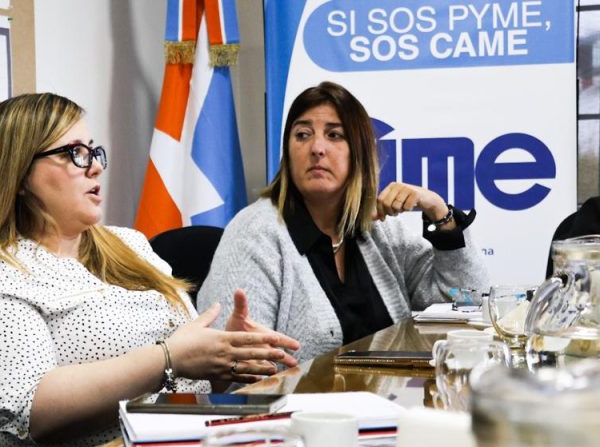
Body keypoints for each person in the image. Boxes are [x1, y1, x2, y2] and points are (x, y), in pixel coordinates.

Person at [0, 93, 300, 447]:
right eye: (74, 153)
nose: (95, 167)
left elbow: (188, 381)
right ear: (18, 175)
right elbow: (30, 412)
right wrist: (168, 358)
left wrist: (223, 357)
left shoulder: (129, 244)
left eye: (94, 152)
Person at [198, 81, 489, 363]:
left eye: (334, 135)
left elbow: (467, 299)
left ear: (359, 152)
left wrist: (440, 212)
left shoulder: (379, 229)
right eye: (302, 135)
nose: (317, 148)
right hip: (296, 398)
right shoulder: (254, 234)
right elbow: (234, 363)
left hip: (384, 395)